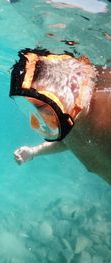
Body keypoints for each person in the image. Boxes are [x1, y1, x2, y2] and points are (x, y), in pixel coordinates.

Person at [9, 48, 111, 183]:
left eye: (42, 107)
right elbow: (71, 141)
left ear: (73, 85)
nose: (38, 120)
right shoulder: (70, 119)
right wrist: (34, 152)